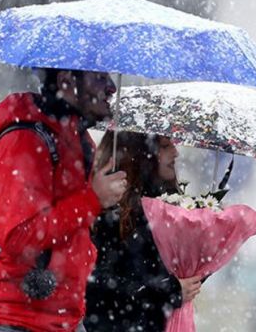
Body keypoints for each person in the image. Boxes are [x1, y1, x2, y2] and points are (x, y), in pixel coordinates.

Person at [0, 69, 128, 332]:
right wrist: (92, 200)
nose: (110, 87)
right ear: (65, 80)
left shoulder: (78, 141)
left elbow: (70, 230)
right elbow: (19, 237)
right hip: (11, 319)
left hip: (63, 319)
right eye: (99, 77)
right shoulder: (24, 141)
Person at [84, 131, 202, 332]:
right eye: (165, 146)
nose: (176, 153)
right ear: (140, 152)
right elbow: (97, 282)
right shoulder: (110, 210)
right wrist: (167, 291)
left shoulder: (168, 206)